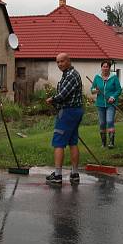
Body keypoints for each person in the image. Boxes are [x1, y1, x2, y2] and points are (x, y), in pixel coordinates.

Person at [45, 52, 83, 185]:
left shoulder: (71, 75)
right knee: (73, 142)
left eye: (62, 61)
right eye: (57, 62)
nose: (59, 64)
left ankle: (58, 175)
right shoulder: (68, 74)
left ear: (69, 61)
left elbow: (63, 95)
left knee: (59, 142)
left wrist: (52, 99)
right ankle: (74, 173)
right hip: (74, 111)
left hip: (68, 112)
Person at [90, 60, 122, 149]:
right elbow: (92, 89)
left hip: (110, 104)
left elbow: (119, 90)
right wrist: (94, 90)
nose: (105, 68)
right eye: (103, 66)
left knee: (109, 121)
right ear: (101, 68)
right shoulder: (97, 77)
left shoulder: (114, 77)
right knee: (102, 123)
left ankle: (111, 143)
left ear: (109, 68)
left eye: (106, 67)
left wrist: (113, 97)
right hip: (100, 104)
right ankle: (103, 144)